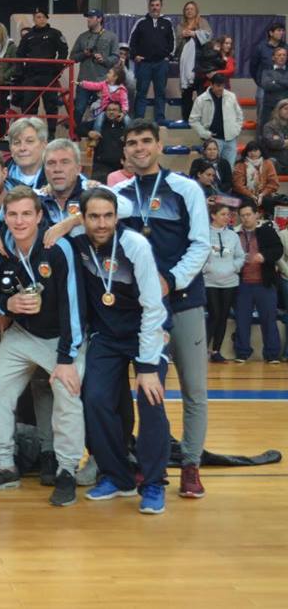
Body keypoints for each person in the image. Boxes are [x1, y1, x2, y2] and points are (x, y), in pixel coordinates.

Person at [108, 119, 211, 499]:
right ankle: (150, 461)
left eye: (146, 141)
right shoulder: (118, 194)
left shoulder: (186, 189)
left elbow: (201, 244)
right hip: (142, 311)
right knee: (149, 390)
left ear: (159, 145)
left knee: (194, 388)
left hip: (183, 302)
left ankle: (191, 463)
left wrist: (171, 280)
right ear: (125, 150)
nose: (139, 148)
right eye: (132, 142)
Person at [0, 186, 85, 506]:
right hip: (24, 334)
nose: (19, 221)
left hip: (64, 338)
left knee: (67, 391)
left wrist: (66, 358)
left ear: (39, 216)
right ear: (5, 218)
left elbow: (74, 306)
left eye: (26, 214)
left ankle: (66, 470)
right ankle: (6, 465)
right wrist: (7, 305)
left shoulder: (58, 248)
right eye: (13, 214)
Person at [73, 187, 171, 514]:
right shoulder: (77, 240)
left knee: (151, 400)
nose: (101, 224)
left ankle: (154, 483)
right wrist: (65, 225)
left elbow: (154, 307)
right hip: (107, 336)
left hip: (146, 333)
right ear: (82, 218)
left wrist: (147, 366)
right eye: (93, 217)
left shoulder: (135, 245)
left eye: (108, 216)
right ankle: (118, 476)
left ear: (117, 216)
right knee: (95, 399)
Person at [233, 201, 284, 363]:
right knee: (242, 320)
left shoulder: (267, 231)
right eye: (242, 215)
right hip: (242, 283)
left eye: (248, 214)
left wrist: (264, 256)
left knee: (269, 319)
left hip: (264, 282)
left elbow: (278, 250)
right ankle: (242, 353)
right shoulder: (235, 234)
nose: (246, 218)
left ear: (257, 214)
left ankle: (272, 354)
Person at [17, 9, 68, 139]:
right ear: (34, 19)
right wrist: (22, 72)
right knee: (29, 106)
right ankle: (30, 133)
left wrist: (58, 67)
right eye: (38, 17)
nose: (41, 19)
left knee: (51, 106)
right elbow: (19, 54)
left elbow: (63, 50)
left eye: (43, 17)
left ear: (46, 18)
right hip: (31, 76)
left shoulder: (55, 33)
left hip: (49, 75)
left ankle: (51, 134)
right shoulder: (28, 36)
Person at [203, 202, 244, 363]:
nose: (227, 217)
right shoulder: (204, 234)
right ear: (213, 215)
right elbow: (197, 254)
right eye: (223, 214)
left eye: (228, 215)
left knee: (223, 316)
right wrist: (206, 268)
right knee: (214, 314)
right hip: (210, 281)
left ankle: (216, 351)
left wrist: (234, 267)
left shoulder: (233, 236)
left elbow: (240, 256)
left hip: (230, 282)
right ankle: (202, 351)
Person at [70, 9, 120, 127]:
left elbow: (116, 57)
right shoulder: (82, 37)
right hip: (84, 80)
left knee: (104, 111)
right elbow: (72, 57)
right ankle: (74, 134)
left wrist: (104, 60)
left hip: (103, 81)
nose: (88, 20)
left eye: (91, 17)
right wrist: (84, 54)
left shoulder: (111, 36)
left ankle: (103, 134)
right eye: (88, 17)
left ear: (99, 19)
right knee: (79, 109)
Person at [128, 0, 174, 123]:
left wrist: (168, 57)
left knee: (160, 92)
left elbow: (172, 42)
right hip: (144, 64)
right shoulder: (141, 22)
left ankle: (160, 119)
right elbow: (132, 41)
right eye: (152, 5)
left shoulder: (167, 23)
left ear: (161, 6)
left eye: (157, 5)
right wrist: (134, 55)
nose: (155, 7)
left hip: (161, 64)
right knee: (141, 92)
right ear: (149, 7)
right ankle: (138, 120)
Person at [189, 74, 244, 167]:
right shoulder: (201, 99)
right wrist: (204, 133)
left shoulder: (231, 96)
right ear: (211, 85)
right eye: (218, 86)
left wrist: (236, 130)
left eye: (223, 86)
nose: (221, 88)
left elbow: (239, 115)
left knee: (229, 169)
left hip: (231, 139)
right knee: (211, 169)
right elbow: (193, 120)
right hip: (212, 140)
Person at [175, 1, 212, 121]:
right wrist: (182, 36)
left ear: (196, 10)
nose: (189, 11)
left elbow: (209, 36)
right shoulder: (180, 26)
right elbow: (176, 45)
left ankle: (203, 119)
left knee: (202, 93)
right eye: (187, 9)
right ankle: (187, 119)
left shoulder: (202, 22)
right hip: (185, 64)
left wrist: (194, 33)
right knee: (186, 93)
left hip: (200, 63)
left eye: (191, 9)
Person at [78, 66, 129, 134]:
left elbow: (124, 102)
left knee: (127, 120)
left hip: (117, 111)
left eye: (109, 73)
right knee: (98, 121)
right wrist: (82, 84)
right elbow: (94, 85)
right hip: (105, 110)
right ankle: (96, 135)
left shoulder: (121, 89)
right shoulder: (104, 84)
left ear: (115, 77)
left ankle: (127, 135)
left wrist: (123, 112)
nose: (107, 74)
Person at [0, 22, 19, 133]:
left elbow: (16, 65)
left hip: (6, 84)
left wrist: (5, 76)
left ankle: (3, 133)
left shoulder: (12, 47)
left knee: (3, 110)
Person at [249, 22, 286, 114]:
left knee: (283, 114)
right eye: (279, 30)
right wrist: (260, 82)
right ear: (271, 33)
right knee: (263, 114)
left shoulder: (285, 47)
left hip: (283, 86)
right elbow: (253, 67)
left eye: (282, 31)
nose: (281, 33)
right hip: (264, 87)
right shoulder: (260, 48)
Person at [89, 102, 128, 182]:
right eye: (109, 110)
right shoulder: (99, 124)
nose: (111, 112)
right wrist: (89, 133)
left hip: (120, 167)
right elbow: (79, 128)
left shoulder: (126, 125)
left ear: (120, 112)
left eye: (114, 110)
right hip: (101, 166)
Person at [259, 46, 288, 131]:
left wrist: (275, 81)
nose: (282, 57)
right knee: (266, 132)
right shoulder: (266, 71)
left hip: (286, 107)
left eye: (284, 55)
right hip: (269, 108)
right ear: (273, 57)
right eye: (279, 55)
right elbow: (266, 85)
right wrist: (284, 83)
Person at [262, 98, 288, 174]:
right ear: (278, 110)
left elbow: (277, 143)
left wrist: (280, 141)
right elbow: (272, 143)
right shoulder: (269, 126)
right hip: (277, 163)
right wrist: (285, 142)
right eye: (286, 109)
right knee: (271, 162)